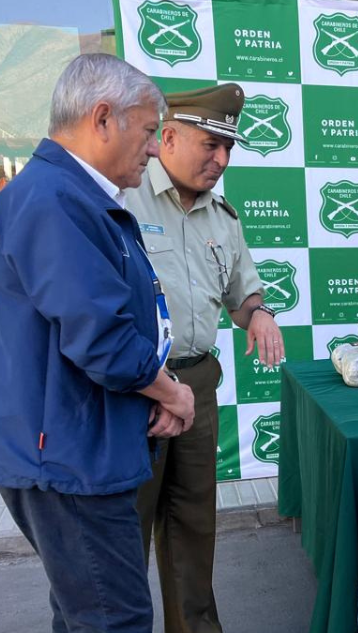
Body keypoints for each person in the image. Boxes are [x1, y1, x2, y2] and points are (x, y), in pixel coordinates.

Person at [0, 53, 195, 632]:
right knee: (112, 619)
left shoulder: (70, 196)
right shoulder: (54, 199)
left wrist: (155, 387)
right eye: (148, 131)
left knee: (85, 614)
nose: (154, 149)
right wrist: (171, 392)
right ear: (102, 119)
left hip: (77, 446)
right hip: (69, 456)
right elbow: (102, 337)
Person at [123, 83, 280, 633]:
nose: (222, 159)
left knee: (192, 527)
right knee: (125, 529)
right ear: (167, 137)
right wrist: (154, 387)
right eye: (210, 144)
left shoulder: (223, 218)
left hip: (197, 387)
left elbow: (242, 295)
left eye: (228, 148)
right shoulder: (124, 199)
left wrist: (260, 314)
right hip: (134, 392)